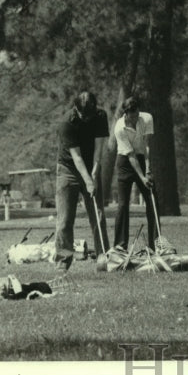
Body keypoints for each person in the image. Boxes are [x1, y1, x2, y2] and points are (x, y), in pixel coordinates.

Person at [54, 91, 110, 272]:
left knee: (98, 215)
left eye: (89, 116)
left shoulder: (100, 116)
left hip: (90, 165)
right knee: (64, 220)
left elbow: (99, 148)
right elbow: (76, 157)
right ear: (76, 109)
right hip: (68, 170)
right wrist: (88, 181)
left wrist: (94, 172)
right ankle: (63, 260)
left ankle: (103, 257)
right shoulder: (66, 123)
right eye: (83, 116)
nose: (86, 119)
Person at [112, 95, 158, 251]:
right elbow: (130, 155)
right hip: (125, 161)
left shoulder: (146, 118)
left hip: (141, 157)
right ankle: (120, 245)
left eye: (137, 114)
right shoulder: (119, 128)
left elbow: (146, 145)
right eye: (132, 116)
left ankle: (155, 244)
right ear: (126, 113)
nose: (135, 118)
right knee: (123, 205)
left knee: (153, 202)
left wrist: (148, 169)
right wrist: (142, 177)